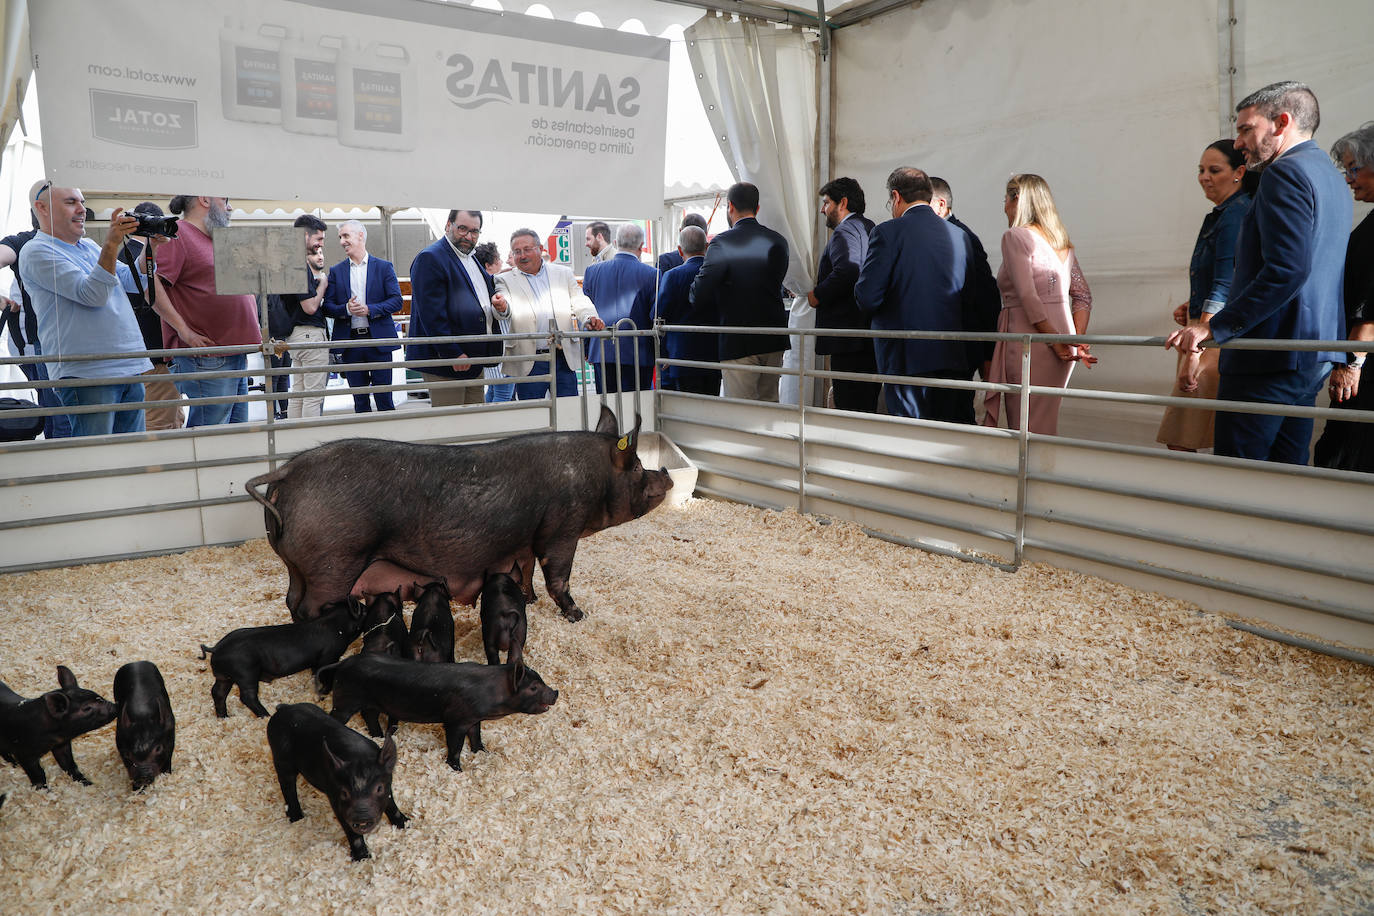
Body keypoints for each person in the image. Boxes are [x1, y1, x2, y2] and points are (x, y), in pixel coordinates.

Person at [1166, 81, 1351, 464]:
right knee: (1286, 474)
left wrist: (1214, 326)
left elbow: (1287, 269)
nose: (1238, 142)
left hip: (1268, 356)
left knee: (1241, 476)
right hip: (1310, 353)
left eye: (1246, 129)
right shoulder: (1332, 177)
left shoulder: (1283, 174)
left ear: (1281, 123)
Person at [19, 182, 152, 436]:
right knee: (97, 460)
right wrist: (112, 245)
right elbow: (92, 295)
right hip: (87, 373)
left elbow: (134, 282)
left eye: (81, 201)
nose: (82, 209)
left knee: (133, 457)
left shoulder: (89, 245)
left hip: (127, 364)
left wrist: (151, 246)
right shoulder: (36, 251)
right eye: (71, 202)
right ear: (42, 208)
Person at [854, 168, 979, 422]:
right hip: (951, 354)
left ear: (896, 197)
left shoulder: (887, 232)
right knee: (945, 433)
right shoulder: (960, 236)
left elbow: (867, 296)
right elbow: (970, 298)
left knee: (909, 436)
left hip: (904, 355)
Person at [1156, 140, 1255, 451]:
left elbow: (1226, 280)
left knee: (1185, 432)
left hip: (1211, 331)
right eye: (1201, 170)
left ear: (1240, 172)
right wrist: (1193, 305)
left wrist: (1198, 341)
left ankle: (1190, 495)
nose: (1204, 177)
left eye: (1214, 170)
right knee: (1191, 430)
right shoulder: (1224, 214)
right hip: (1208, 325)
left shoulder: (1235, 213)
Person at [982, 174, 1095, 435]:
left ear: (1016, 200)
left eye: (1005, 200)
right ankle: (1043, 473)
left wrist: (1057, 342)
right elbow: (1083, 296)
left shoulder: (1015, 236)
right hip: (1061, 343)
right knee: (1042, 425)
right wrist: (1075, 340)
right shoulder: (1060, 243)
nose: (1004, 208)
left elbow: (1028, 297)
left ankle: (1033, 475)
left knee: (1024, 428)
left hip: (1030, 341)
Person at [152, 195, 262, 427]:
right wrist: (184, 331)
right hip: (208, 355)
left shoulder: (213, 239)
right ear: (204, 199)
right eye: (224, 199)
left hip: (232, 352)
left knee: (232, 430)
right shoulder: (178, 234)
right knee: (210, 435)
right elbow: (150, 284)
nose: (229, 207)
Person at [688, 181, 790, 401]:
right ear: (758, 208)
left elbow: (699, 292)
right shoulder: (778, 241)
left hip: (738, 340)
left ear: (730, 207)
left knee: (741, 412)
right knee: (769, 407)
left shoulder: (722, 243)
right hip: (774, 337)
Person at [1313, 122, 1374, 472]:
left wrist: (1351, 365)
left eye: (1354, 168)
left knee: (1344, 456)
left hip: (1365, 369)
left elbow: (1370, 308)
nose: (1349, 179)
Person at [491, 229, 604, 400]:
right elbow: (504, 306)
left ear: (540, 248)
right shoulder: (504, 279)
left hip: (563, 357)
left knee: (569, 412)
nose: (522, 255)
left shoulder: (563, 273)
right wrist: (501, 307)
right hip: (530, 360)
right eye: (517, 252)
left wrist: (589, 317)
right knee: (532, 413)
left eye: (527, 249)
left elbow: (579, 299)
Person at [407, 209, 498, 407]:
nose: (468, 236)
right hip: (447, 361)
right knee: (451, 426)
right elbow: (431, 314)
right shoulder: (430, 258)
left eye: (474, 231)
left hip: (473, 359)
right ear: (448, 225)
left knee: (475, 423)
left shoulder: (471, 257)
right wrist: (452, 352)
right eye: (462, 229)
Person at [1, 196, 71, 439]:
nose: (79, 210)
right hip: (46, 341)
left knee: (58, 410)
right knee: (61, 413)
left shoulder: (83, 245)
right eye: (70, 202)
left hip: (72, 339)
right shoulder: (23, 242)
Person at [930, 175, 1001, 413]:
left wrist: (987, 353)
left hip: (960, 347)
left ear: (941, 205)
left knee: (955, 413)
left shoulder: (961, 236)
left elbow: (987, 296)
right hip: (946, 347)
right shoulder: (942, 235)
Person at [808, 177, 878, 413]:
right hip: (868, 335)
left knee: (850, 407)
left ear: (843, 203)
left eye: (827, 203)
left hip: (847, 338)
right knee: (866, 406)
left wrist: (817, 294)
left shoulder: (844, 231)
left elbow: (848, 268)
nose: (822, 209)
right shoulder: (871, 227)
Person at [116, 202, 185, 431]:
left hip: (142, 353)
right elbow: (154, 298)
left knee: (166, 416)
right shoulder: (141, 259)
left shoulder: (122, 256)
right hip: (154, 353)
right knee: (161, 422)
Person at [322, 220, 404, 413]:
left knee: (384, 398)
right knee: (359, 401)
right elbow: (327, 307)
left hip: (379, 342)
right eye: (340, 237)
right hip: (351, 344)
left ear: (360, 235)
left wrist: (370, 309)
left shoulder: (384, 267)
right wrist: (346, 309)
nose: (342, 241)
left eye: (346, 236)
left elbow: (396, 301)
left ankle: (388, 441)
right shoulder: (336, 271)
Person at [265, 215, 331, 419]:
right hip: (309, 335)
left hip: (296, 335)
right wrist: (323, 285)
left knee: (299, 394)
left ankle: (295, 438)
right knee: (312, 395)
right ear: (304, 235)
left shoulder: (284, 261)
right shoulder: (297, 265)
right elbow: (310, 306)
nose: (320, 244)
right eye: (318, 239)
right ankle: (311, 440)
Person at [582, 223, 656, 393]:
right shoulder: (652, 274)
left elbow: (586, 312)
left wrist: (587, 347)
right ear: (641, 246)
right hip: (639, 352)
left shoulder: (592, 272)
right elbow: (656, 315)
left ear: (615, 242)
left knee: (607, 409)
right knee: (638, 410)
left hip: (601, 350)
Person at [654, 225, 719, 395]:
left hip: (681, 356)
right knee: (713, 407)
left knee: (687, 410)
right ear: (706, 247)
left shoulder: (672, 276)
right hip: (714, 354)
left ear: (680, 250)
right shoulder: (717, 273)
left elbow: (658, 313)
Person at [473, 241, 514, 403]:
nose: (502, 263)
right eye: (498, 261)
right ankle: (498, 424)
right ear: (488, 265)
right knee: (503, 394)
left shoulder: (478, 283)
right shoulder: (495, 283)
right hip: (503, 347)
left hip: (491, 347)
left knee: (492, 391)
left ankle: (488, 422)